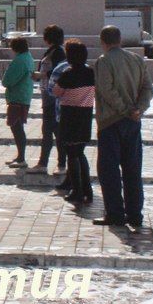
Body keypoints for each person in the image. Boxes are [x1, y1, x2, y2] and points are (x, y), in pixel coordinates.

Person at [94, 24, 153, 227]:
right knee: (132, 169)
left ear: (103, 42)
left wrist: (126, 109)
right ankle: (135, 214)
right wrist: (139, 109)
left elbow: (106, 90)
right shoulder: (136, 59)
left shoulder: (104, 61)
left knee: (109, 170)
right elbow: (147, 88)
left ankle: (115, 214)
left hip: (111, 122)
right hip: (133, 122)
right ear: (120, 40)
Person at [52, 39, 95, 205]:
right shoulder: (91, 72)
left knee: (71, 154)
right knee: (80, 153)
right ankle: (87, 189)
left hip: (70, 115)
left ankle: (77, 191)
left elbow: (56, 91)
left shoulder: (68, 74)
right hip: (85, 114)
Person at [27, 25, 67, 175]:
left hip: (53, 97)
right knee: (53, 131)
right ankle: (56, 164)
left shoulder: (57, 52)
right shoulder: (53, 51)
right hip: (48, 96)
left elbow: (58, 71)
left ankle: (47, 164)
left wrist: (41, 75)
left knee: (50, 131)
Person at [1, 36, 34, 167]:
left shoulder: (20, 60)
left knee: (16, 127)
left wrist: (6, 80)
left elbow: (7, 80)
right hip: (23, 95)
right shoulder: (28, 57)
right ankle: (20, 155)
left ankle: (21, 158)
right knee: (17, 126)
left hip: (17, 97)